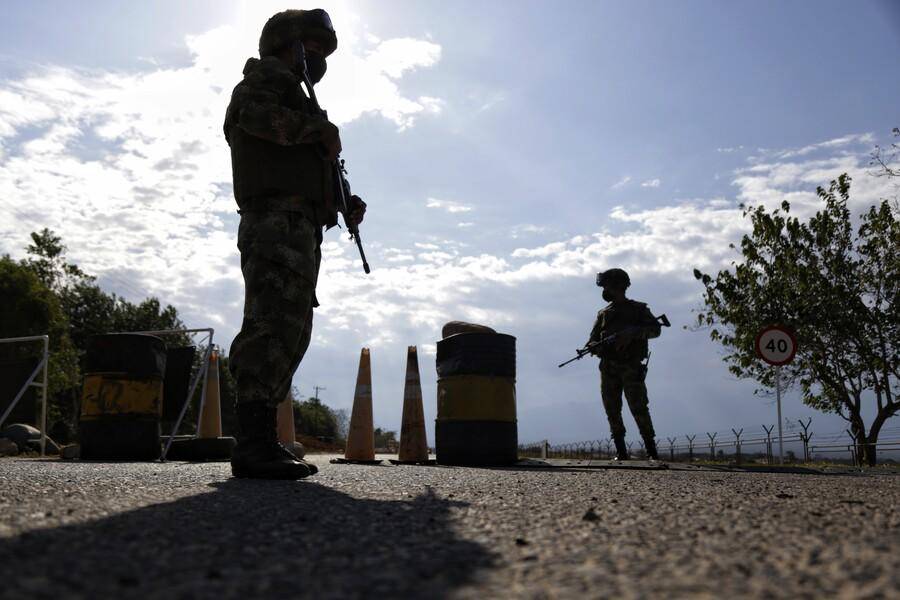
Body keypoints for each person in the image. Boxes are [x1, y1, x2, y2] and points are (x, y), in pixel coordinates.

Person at [224, 8, 366, 479]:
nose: (318, 57)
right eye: (311, 46)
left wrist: (344, 202)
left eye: (324, 50)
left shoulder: (300, 99)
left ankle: (262, 437)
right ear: (286, 43)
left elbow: (310, 167)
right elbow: (253, 116)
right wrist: (318, 132)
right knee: (271, 324)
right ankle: (253, 442)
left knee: (292, 328)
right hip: (275, 221)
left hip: (299, 226)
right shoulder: (265, 79)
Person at [588, 269, 661, 461]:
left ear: (617, 286)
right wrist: (595, 347)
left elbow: (655, 330)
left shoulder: (638, 310)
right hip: (608, 368)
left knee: (639, 407)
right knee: (612, 409)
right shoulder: (604, 314)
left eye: (606, 285)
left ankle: (651, 451)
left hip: (631, 367)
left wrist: (633, 334)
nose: (604, 289)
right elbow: (591, 341)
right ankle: (621, 451)